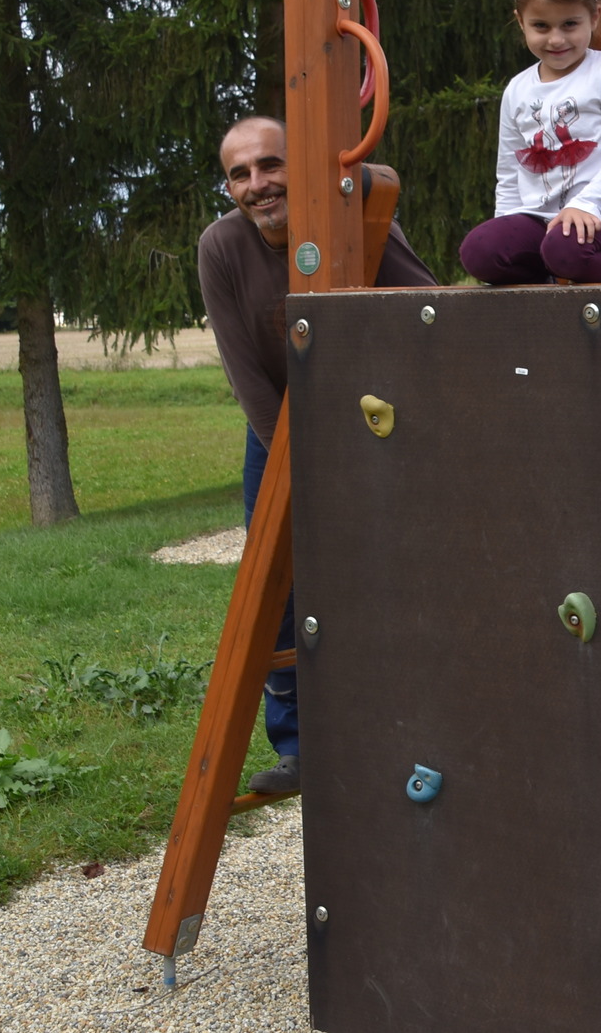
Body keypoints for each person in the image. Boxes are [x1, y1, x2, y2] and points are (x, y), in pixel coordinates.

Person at [198, 115, 438, 794]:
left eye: (271, 164)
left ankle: (395, 722)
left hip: (370, 421)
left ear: (300, 167)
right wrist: (297, 470)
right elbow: (245, 372)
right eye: (240, 173)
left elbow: (425, 304)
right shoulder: (221, 246)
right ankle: (300, 743)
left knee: (385, 572)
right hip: (277, 427)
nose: (257, 184)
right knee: (275, 580)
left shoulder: (344, 221)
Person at [458, 0, 601, 285]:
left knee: (565, 247)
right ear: (521, 21)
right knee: (480, 250)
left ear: (595, 17)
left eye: (570, 24)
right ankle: (543, 282)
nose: (556, 38)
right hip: (537, 221)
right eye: (541, 26)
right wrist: (507, 227)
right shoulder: (518, 89)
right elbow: (508, 171)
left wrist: (588, 204)